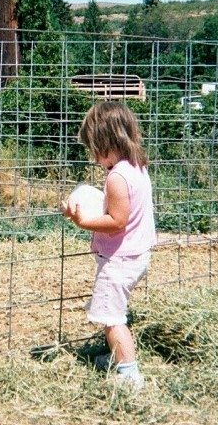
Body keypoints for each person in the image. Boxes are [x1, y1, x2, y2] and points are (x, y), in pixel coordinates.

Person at [61, 101, 156, 390]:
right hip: (136, 254)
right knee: (113, 311)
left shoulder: (116, 177)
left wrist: (82, 220)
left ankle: (129, 375)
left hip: (120, 259)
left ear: (105, 142)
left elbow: (116, 221)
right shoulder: (136, 167)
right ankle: (118, 357)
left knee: (112, 318)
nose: (93, 157)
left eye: (93, 148)